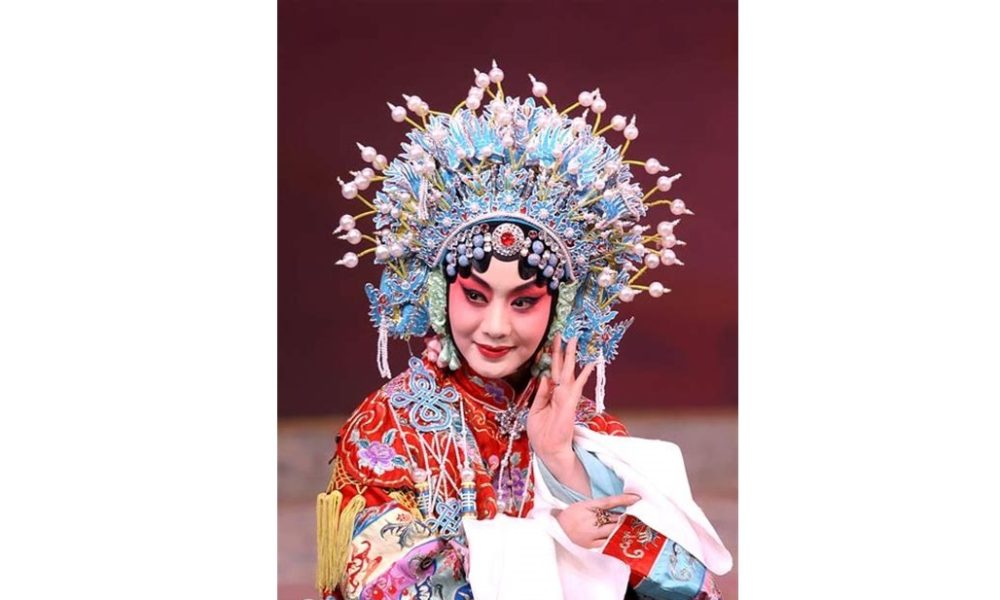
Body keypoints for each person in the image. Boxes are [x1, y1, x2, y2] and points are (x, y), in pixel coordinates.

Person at [317, 62, 731, 600]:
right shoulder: (388, 428)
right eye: (475, 295)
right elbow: (388, 586)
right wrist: (556, 541)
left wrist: (563, 466)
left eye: (524, 302)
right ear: (439, 294)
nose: (495, 327)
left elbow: (690, 588)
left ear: (560, 310)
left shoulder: (583, 430)